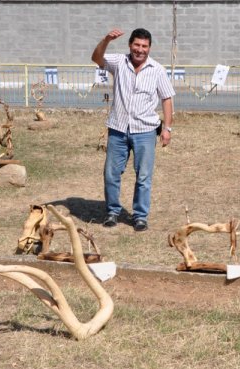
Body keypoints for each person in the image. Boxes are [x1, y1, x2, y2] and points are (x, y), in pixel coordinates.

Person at [92, 28, 175, 232]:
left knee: (144, 176)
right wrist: (106, 39)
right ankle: (112, 211)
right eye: (137, 45)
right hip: (118, 129)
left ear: (149, 48)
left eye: (144, 46)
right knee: (111, 173)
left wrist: (167, 128)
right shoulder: (119, 62)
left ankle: (140, 216)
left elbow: (167, 98)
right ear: (130, 45)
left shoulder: (157, 69)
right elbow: (96, 58)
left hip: (145, 130)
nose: (140, 50)